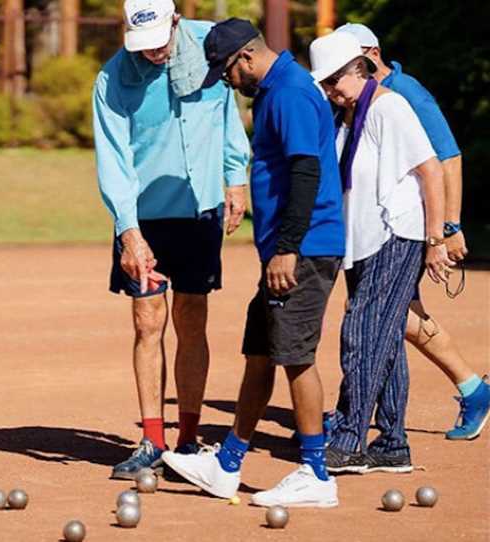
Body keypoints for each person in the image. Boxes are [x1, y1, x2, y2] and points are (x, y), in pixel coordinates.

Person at [162, 18, 345, 508]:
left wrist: (287, 247)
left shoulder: (288, 93)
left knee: (296, 356)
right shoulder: (275, 90)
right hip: (286, 251)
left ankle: (316, 473)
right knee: (261, 351)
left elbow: (307, 170)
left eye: (225, 71)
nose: (226, 81)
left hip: (303, 250)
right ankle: (227, 464)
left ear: (245, 56)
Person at [92, 0, 250, 480]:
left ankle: (187, 438)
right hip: (146, 217)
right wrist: (128, 232)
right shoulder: (112, 79)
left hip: (201, 205)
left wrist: (234, 175)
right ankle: (151, 441)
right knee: (147, 321)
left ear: (175, 21)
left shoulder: (213, 45)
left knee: (192, 319)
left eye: (160, 42)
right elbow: (114, 159)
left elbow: (227, 111)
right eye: (144, 46)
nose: (154, 53)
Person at [334, 23, 490, 441]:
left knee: (382, 316)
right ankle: (469, 389)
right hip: (380, 229)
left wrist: (447, 227)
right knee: (394, 317)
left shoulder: (405, 92)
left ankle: (470, 387)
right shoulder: (360, 100)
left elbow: (447, 158)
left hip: (409, 227)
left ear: (369, 54)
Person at [308, 31, 453, 474]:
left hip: (398, 234)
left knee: (363, 333)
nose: (332, 90)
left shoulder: (389, 107)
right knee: (384, 339)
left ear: (359, 68)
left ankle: (351, 438)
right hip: (363, 240)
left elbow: (431, 170)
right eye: (325, 84)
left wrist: (436, 239)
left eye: (336, 80)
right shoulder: (349, 114)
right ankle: (392, 443)